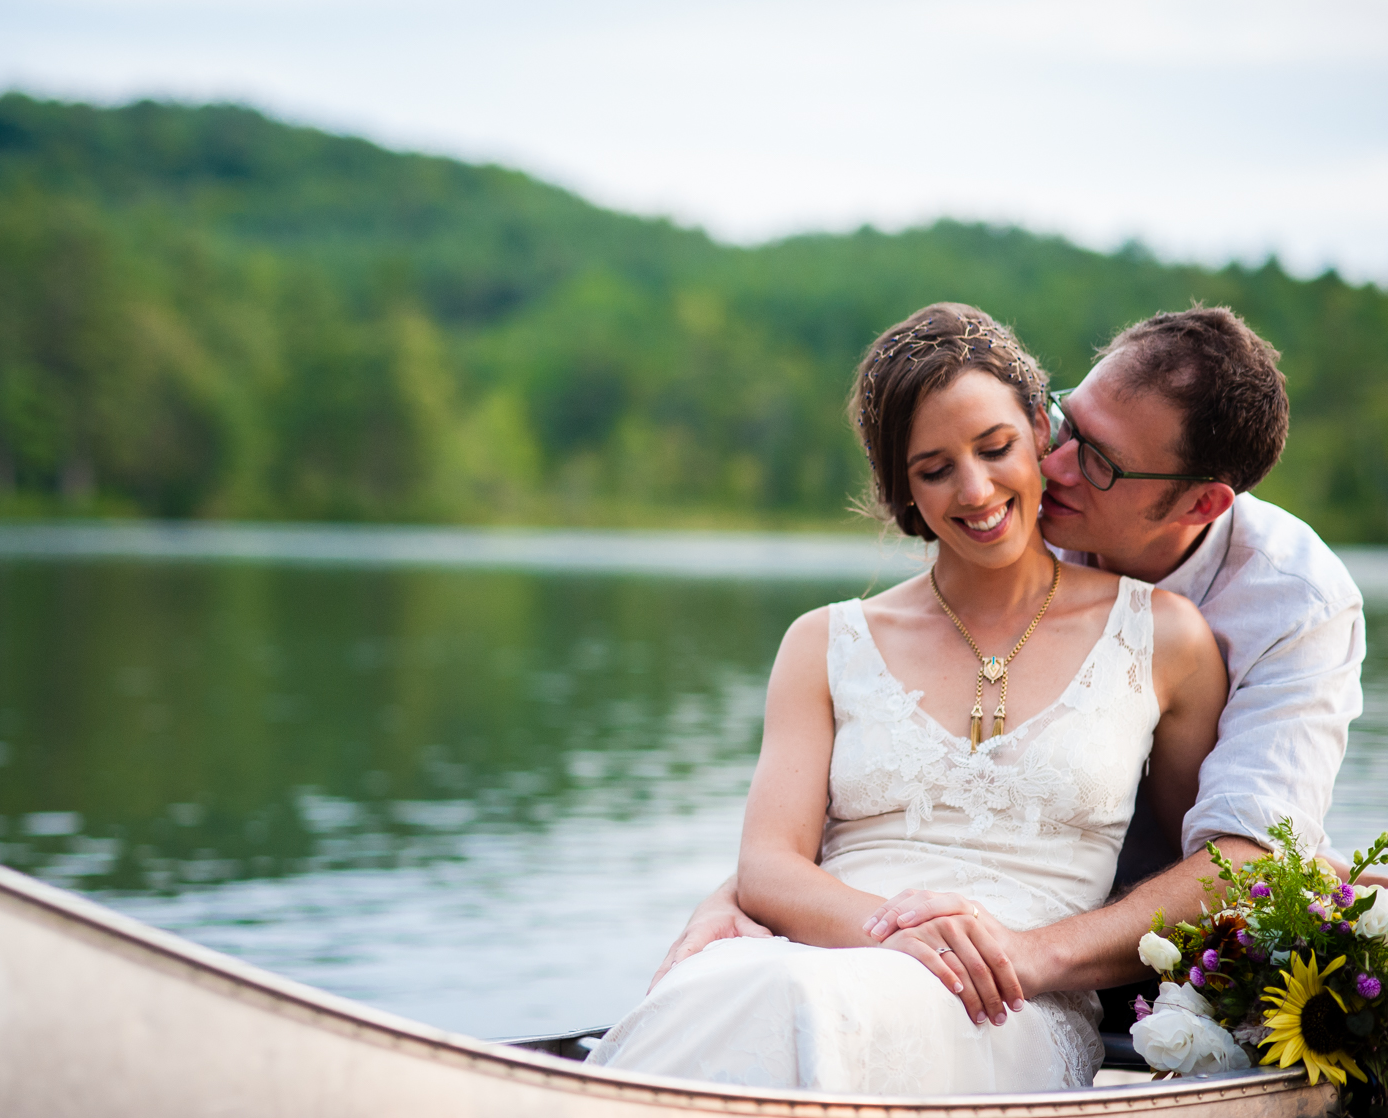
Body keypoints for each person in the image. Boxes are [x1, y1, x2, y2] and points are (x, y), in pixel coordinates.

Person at [651, 306, 1371, 1036]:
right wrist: (746, 891)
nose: (1049, 465)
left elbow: (1246, 858)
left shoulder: (1292, 604)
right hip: (863, 946)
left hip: (1100, 960)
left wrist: (1021, 957)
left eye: (1099, 461)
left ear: (1199, 503)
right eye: (1065, 424)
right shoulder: (1015, 515)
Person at [587, 304, 1229, 1092]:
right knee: (737, 981)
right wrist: (885, 933)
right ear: (903, 488)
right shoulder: (824, 642)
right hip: (821, 956)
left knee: (796, 997)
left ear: (1039, 429)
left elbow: (1210, 863)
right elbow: (767, 864)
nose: (976, 489)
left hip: (1006, 1004)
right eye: (934, 469)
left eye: (995, 448)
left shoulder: (1165, 638)